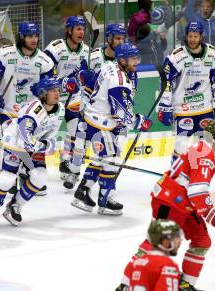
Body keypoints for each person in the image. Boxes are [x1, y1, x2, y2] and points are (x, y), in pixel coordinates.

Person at [68, 43, 153, 216]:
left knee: (102, 160)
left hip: (94, 120)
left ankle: (83, 191)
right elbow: (120, 112)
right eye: (132, 58)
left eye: (137, 57)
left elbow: (90, 84)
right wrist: (139, 122)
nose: (136, 61)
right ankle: (104, 200)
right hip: (101, 124)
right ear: (122, 60)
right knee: (111, 159)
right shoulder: (118, 80)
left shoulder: (108, 66)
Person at [150, 119, 215, 290]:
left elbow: (191, 187)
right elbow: (197, 191)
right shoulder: (205, 154)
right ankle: (137, 282)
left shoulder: (202, 149)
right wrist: (214, 215)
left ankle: (185, 285)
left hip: (183, 203)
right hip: (170, 202)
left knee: (201, 240)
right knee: (159, 247)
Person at [0, 78, 64, 226]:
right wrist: (40, 145)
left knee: (40, 177)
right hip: (15, 143)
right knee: (7, 179)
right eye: (53, 90)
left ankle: (15, 205)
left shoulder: (60, 109)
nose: (57, 93)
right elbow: (24, 136)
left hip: (34, 145)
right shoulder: (34, 109)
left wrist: (48, 144)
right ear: (43, 94)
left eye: (58, 90)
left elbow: (50, 134)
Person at [0, 22, 54, 195]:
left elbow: (50, 88)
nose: (34, 39)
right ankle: (8, 180)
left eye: (36, 35)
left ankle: (28, 175)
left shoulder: (45, 62)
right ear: (22, 37)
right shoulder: (5, 54)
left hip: (32, 114)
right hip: (8, 109)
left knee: (30, 145)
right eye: (30, 36)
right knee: (11, 148)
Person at [63, 23, 127, 190]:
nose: (121, 42)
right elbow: (77, 75)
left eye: (123, 38)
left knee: (111, 147)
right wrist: (82, 76)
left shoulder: (125, 59)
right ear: (109, 38)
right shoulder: (95, 56)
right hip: (91, 108)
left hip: (111, 111)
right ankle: (74, 172)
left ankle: (107, 178)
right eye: (118, 38)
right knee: (80, 142)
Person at [157, 21, 215, 163]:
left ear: (201, 36)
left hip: (205, 108)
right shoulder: (176, 56)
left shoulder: (213, 54)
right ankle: (175, 176)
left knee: (205, 146)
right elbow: (166, 82)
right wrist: (165, 105)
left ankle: (198, 177)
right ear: (186, 36)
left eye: (195, 36)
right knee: (181, 146)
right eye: (190, 36)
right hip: (182, 108)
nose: (192, 39)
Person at [43, 15, 90, 183]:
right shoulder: (56, 48)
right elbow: (45, 74)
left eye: (83, 28)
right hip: (52, 95)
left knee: (75, 129)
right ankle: (33, 168)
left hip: (73, 96)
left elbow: (85, 75)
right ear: (69, 30)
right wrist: (62, 82)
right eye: (78, 28)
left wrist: (83, 77)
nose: (81, 32)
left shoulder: (85, 50)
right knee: (46, 133)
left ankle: (65, 159)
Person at [116, 219, 182, 291]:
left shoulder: (138, 262)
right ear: (166, 242)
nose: (180, 242)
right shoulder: (168, 265)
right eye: (177, 238)